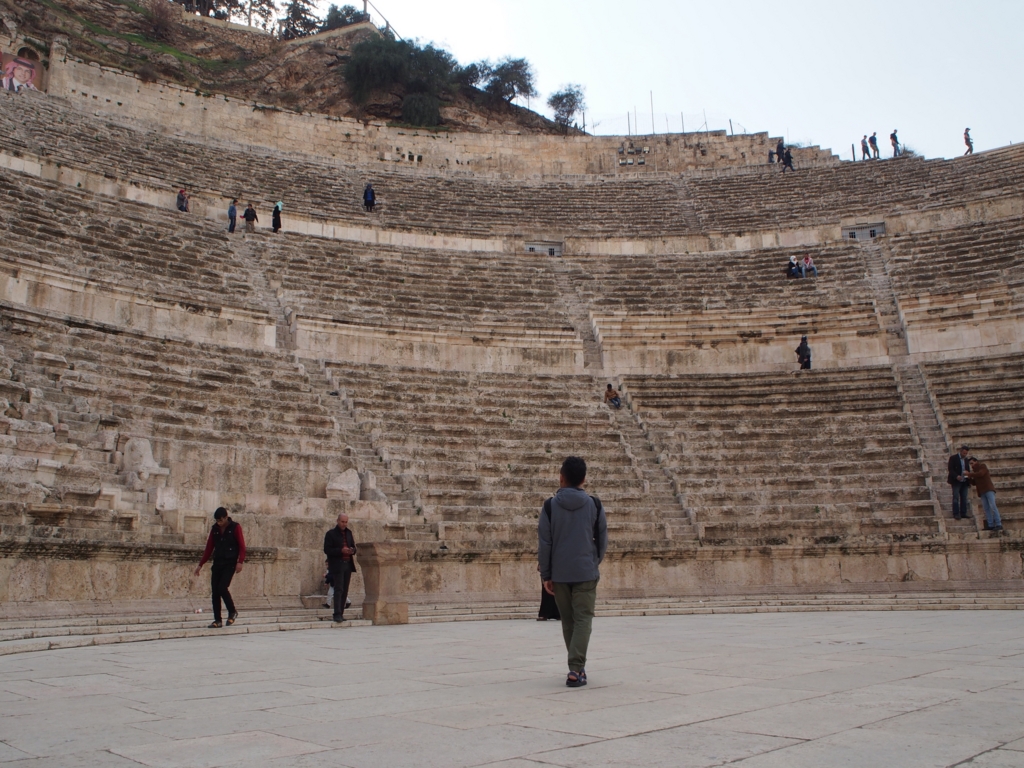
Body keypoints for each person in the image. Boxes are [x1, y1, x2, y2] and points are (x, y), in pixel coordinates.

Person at [538, 456, 608, 688]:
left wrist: (546, 574)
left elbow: (545, 543)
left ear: (561, 478)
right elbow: (602, 540)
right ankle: (576, 668)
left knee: (568, 620)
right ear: (584, 479)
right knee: (583, 619)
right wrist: (593, 562)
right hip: (585, 571)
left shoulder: (549, 506)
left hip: (560, 573)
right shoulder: (594, 505)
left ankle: (576, 667)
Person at [194, 507, 245, 629]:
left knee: (222, 587)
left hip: (229, 563)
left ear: (226, 518)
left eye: (221, 520)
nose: (219, 523)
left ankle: (232, 611)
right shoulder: (215, 529)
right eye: (217, 521)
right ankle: (217, 620)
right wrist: (201, 564)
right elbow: (209, 548)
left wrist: (240, 562)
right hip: (218, 563)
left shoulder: (235, 527)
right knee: (215, 592)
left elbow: (242, 546)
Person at [323, 513, 357, 622]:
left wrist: (352, 550)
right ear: (337, 521)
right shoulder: (331, 534)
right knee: (338, 589)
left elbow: (354, 547)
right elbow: (327, 549)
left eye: (346, 522)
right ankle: (336, 614)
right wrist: (340, 550)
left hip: (347, 564)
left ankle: (341, 613)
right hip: (337, 565)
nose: (344, 524)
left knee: (345, 590)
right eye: (342, 522)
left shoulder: (349, 533)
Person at [966, 458, 1003, 533]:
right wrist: (969, 478)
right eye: (970, 464)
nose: (971, 465)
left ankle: (998, 524)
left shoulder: (982, 466)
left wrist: (970, 474)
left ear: (976, 462)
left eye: (972, 463)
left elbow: (981, 474)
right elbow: (975, 482)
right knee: (986, 508)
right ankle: (990, 525)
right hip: (982, 492)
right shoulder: (975, 472)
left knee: (993, 506)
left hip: (988, 489)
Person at [947, 444, 972, 520]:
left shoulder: (966, 460)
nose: (965, 454)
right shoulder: (953, 458)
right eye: (964, 453)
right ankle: (956, 513)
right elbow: (950, 469)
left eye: (966, 453)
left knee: (964, 497)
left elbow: (967, 469)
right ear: (960, 451)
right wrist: (956, 476)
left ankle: (963, 513)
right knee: (956, 497)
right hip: (956, 481)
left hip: (964, 481)